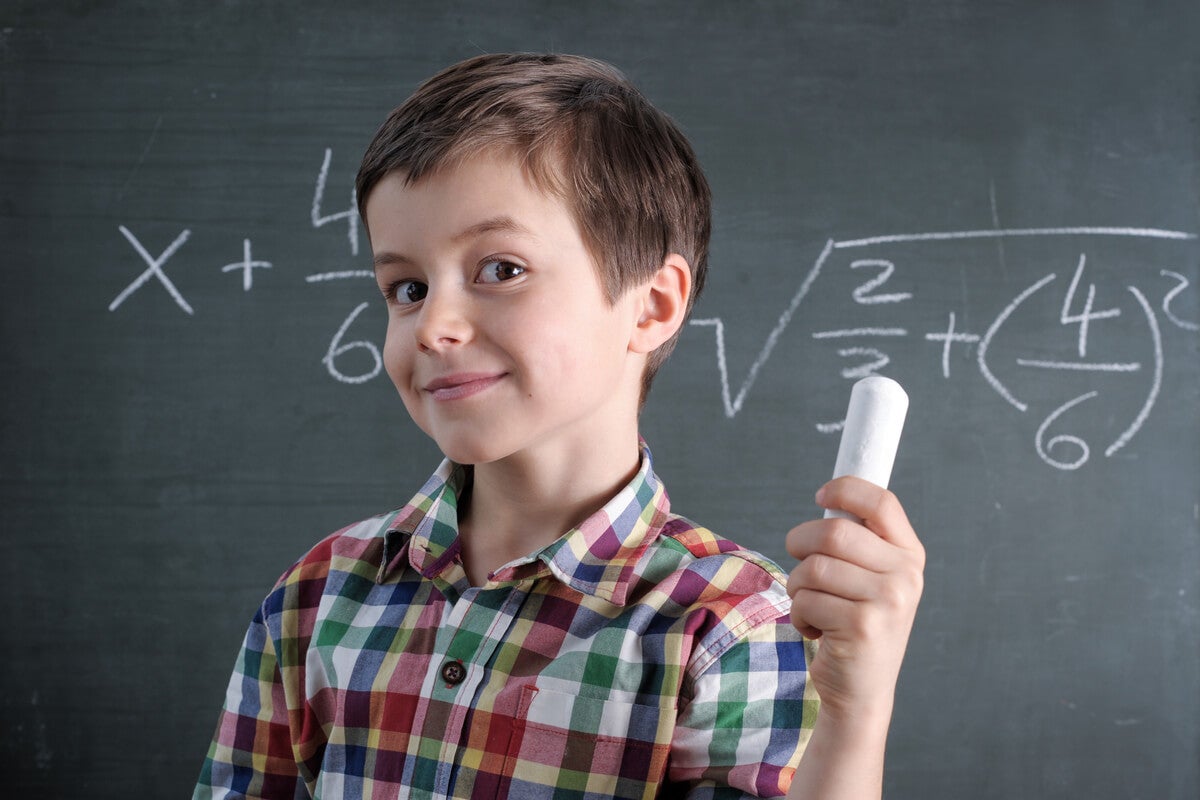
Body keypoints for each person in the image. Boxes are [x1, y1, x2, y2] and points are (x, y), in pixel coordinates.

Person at [194, 52, 924, 800]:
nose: (432, 326)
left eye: (500, 269)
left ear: (651, 305)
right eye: (406, 288)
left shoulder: (729, 625)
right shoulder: (317, 599)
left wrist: (855, 714)